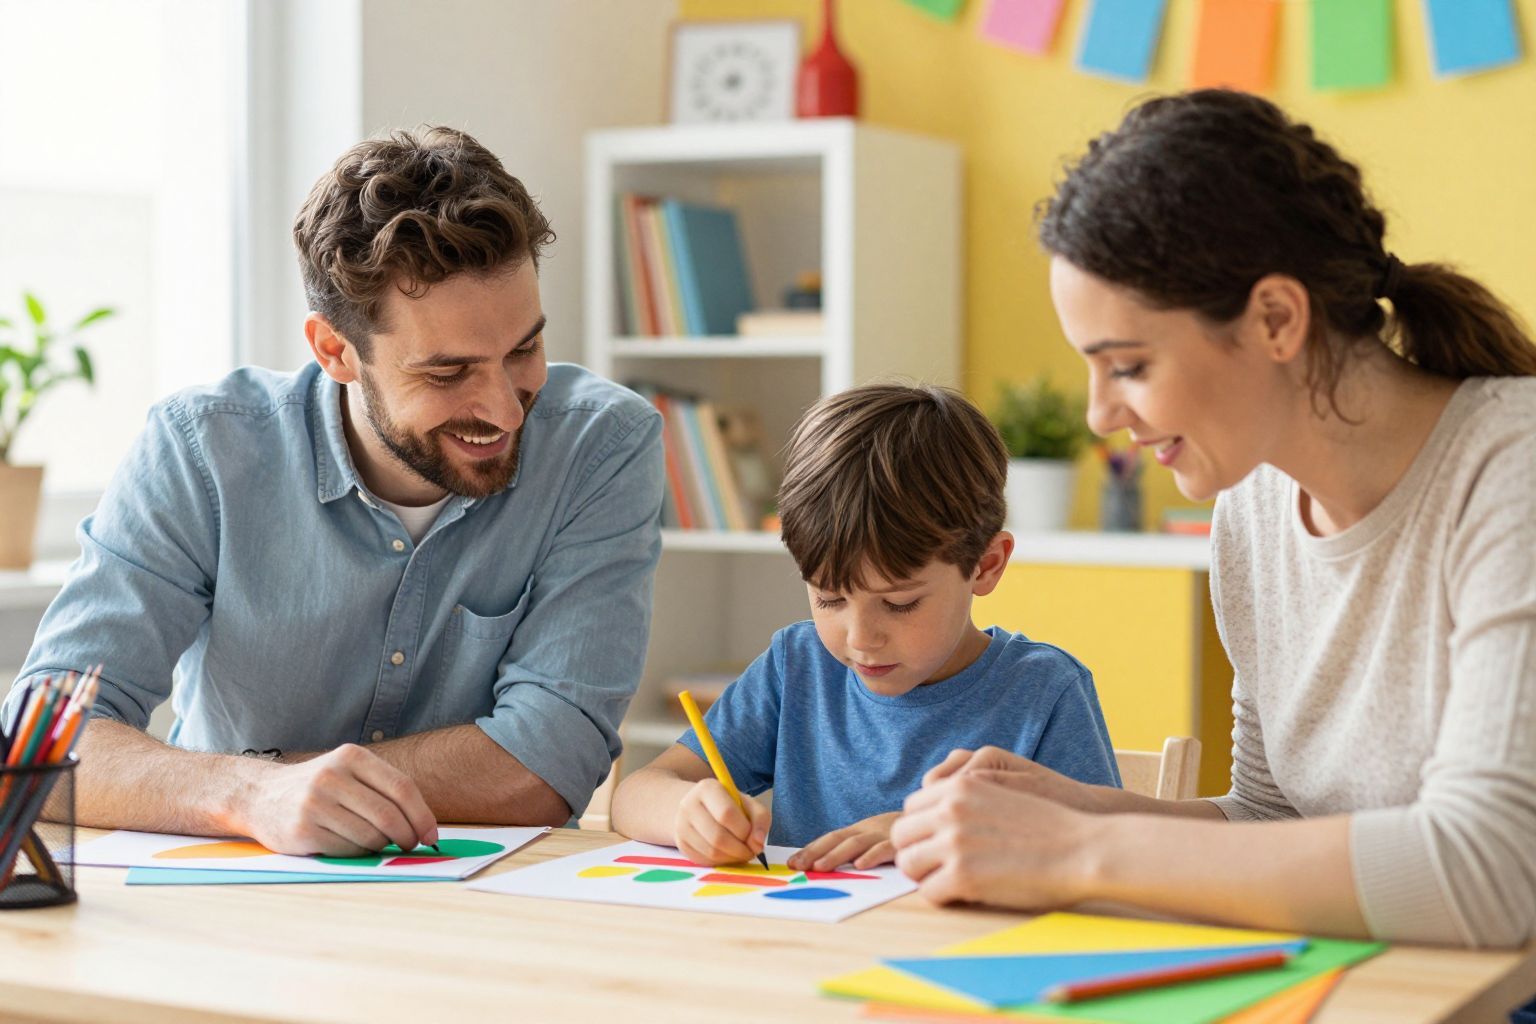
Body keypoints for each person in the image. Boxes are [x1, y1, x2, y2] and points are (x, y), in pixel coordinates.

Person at [890, 89, 1536, 950]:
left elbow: (1492, 874)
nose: (1098, 416)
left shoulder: (1512, 470)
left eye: (1127, 365)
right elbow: (1273, 816)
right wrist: (1077, 806)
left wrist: (1084, 847)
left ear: (1275, 318)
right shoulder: (1254, 506)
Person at [7, 127, 664, 856]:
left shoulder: (603, 445)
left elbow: (549, 763)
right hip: (236, 905)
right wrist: (250, 795)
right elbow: (39, 748)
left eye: (524, 350)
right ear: (335, 352)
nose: (507, 410)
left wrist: (289, 777)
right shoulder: (202, 452)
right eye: (447, 374)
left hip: (489, 916)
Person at [611, 383, 1120, 870]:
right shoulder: (797, 667)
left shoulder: (1043, 691)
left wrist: (932, 831)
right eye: (829, 597)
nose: (860, 639)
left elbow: (1110, 849)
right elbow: (634, 795)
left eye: (899, 603)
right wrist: (687, 811)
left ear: (985, 566)